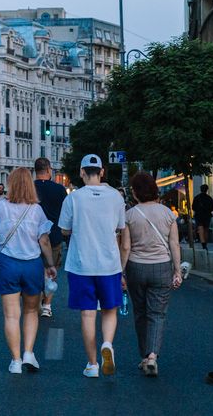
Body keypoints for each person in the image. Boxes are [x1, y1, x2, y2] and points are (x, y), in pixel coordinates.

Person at [0, 168, 56, 374]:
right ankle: (29, 352)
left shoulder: (1, 208)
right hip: (31, 265)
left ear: (11, 184)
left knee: (12, 315)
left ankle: (16, 361)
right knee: (31, 311)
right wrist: (50, 265)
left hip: (8, 264)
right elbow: (44, 241)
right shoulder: (36, 210)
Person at [58, 154, 126, 378]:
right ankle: (107, 343)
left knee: (88, 315)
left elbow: (65, 230)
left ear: (81, 172)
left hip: (81, 264)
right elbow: (119, 227)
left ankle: (92, 364)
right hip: (109, 263)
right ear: (102, 172)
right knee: (110, 310)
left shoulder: (74, 198)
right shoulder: (116, 197)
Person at [118, 172, 183, 377]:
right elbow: (174, 243)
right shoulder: (167, 213)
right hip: (161, 267)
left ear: (135, 193)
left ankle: (145, 356)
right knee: (157, 314)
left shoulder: (130, 215)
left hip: (136, 268)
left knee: (140, 313)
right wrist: (177, 270)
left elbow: (126, 247)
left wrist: (120, 272)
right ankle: (153, 356)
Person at [33, 157, 67, 318]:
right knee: (51, 270)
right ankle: (47, 305)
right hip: (53, 235)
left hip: (31, 236)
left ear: (35, 171)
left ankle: (35, 300)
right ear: (48, 170)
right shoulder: (59, 190)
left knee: (35, 270)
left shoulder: (30, 188)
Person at [191, 184, 213, 250]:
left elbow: (193, 207)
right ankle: (205, 243)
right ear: (207, 190)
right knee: (206, 230)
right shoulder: (209, 198)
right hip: (207, 216)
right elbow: (212, 208)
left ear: (200, 189)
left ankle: (203, 244)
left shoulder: (197, 197)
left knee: (200, 229)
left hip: (199, 215)